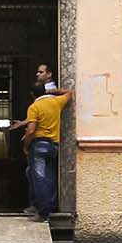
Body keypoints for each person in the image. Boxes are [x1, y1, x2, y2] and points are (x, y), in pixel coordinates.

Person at [14, 79, 72, 219]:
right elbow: (68, 92)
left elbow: (31, 130)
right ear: (44, 91)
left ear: (32, 94)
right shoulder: (56, 102)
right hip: (53, 146)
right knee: (48, 176)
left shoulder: (34, 107)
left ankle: (43, 212)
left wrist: (25, 147)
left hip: (39, 145)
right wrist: (49, 91)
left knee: (38, 177)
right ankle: (45, 205)